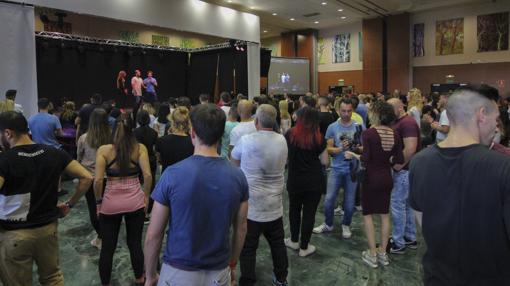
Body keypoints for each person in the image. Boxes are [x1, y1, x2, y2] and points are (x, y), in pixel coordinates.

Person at [409, 86, 510, 285]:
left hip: (437, 276)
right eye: (495, 119)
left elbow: (421, 218)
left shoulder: (419, 162)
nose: (496, 127)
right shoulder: (503, 166)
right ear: (481, 115)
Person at [144, 104, 249, 286]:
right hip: (219, 271)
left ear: (193, 133)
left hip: (178, 271)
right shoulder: (238, 176)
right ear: (221, 135)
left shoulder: (172, 174)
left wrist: (150, 274)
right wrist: (232, 264)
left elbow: (154, 234)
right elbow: (241, 228)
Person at [0, 111, 93, 286]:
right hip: (48, 230)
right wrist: (70, 204)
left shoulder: (5, 160)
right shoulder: (53, 153)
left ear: (8, 133)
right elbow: (87, 177)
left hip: (14, 234)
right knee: (52, 278)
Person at [231, 104, 289, 286]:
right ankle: (281, 278)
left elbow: (234, 162)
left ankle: (247, 280)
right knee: (278, 244)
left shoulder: (247, 140)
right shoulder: (282, 140)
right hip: (274, 205)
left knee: (248, 247)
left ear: (256, 121)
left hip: (252, 207)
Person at [93, 116, 152, 286]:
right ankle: (140, 278)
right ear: (132, 131)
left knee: (107, 248)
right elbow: (147, 176)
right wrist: (146, 197)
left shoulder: (104, 150)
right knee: (135, 243)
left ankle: (105, 283)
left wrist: (98, 202)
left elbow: (97, 181)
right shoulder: (140, 148)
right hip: (135, 202)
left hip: (110, 204)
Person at [345, 101, 404, 268]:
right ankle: (383, 253)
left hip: (371, 178)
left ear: (376, 114)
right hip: (387, 178)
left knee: (368, 215)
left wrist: (353, 155)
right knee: (385, 215)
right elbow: (399, 159)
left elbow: (365, 159)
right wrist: (386, 159)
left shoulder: (369, 133)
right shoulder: (395, 134)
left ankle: (372, 254)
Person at [313, 98, 362, 239]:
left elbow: (365, 148)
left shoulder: (358, 127)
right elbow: (328, 149)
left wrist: (355, 148)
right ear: (338, 110)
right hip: (336, 168)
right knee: (329, 199)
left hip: (352, 169)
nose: (346, 114)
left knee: (350, 201)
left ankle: (346, 224)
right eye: (343, 111)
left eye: (349, 111)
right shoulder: (332, 127)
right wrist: (340, 148)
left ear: (352, 111)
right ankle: (328, 224)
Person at [284, 107, 329, 257]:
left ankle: (294, 240)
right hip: (314, 181)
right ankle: (304, 247)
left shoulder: (289, 134)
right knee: (309, 213)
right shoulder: (319, 138)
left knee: (294, 210)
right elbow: (325, 161)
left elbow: (285, 159)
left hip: (295, 179)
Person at [386, 98, 421, 254]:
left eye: (390, 109)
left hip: (405, 171)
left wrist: (398, 165)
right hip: (405, 170)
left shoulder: (407, 123)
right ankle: (409, 237)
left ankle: (398, 241)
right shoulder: (400, 122)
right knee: (406, 205)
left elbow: (411, 148)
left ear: (399, 108)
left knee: (398, 205)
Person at [77, 108, 112, 249]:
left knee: (93, 207)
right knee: (108, 208)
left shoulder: (84, 138)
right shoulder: (112, 137)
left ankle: (101, 236)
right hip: (109, 178)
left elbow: (78, 158)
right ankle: (108, 235)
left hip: (89, 179)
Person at [134, 110, 158, 218]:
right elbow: (155, 148)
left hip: (137, 160)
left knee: (136, 184)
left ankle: (137, 207)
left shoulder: (134, 132)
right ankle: (148, 210)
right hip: (150, 159)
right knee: (151, 184)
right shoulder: (154, 132)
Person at [155, 106, 194, 172]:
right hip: (186, 178)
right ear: (188, 122)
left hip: (167, 178)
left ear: (172, 121)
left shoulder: (162, 140)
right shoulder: (193, 142)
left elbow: (159, 160)